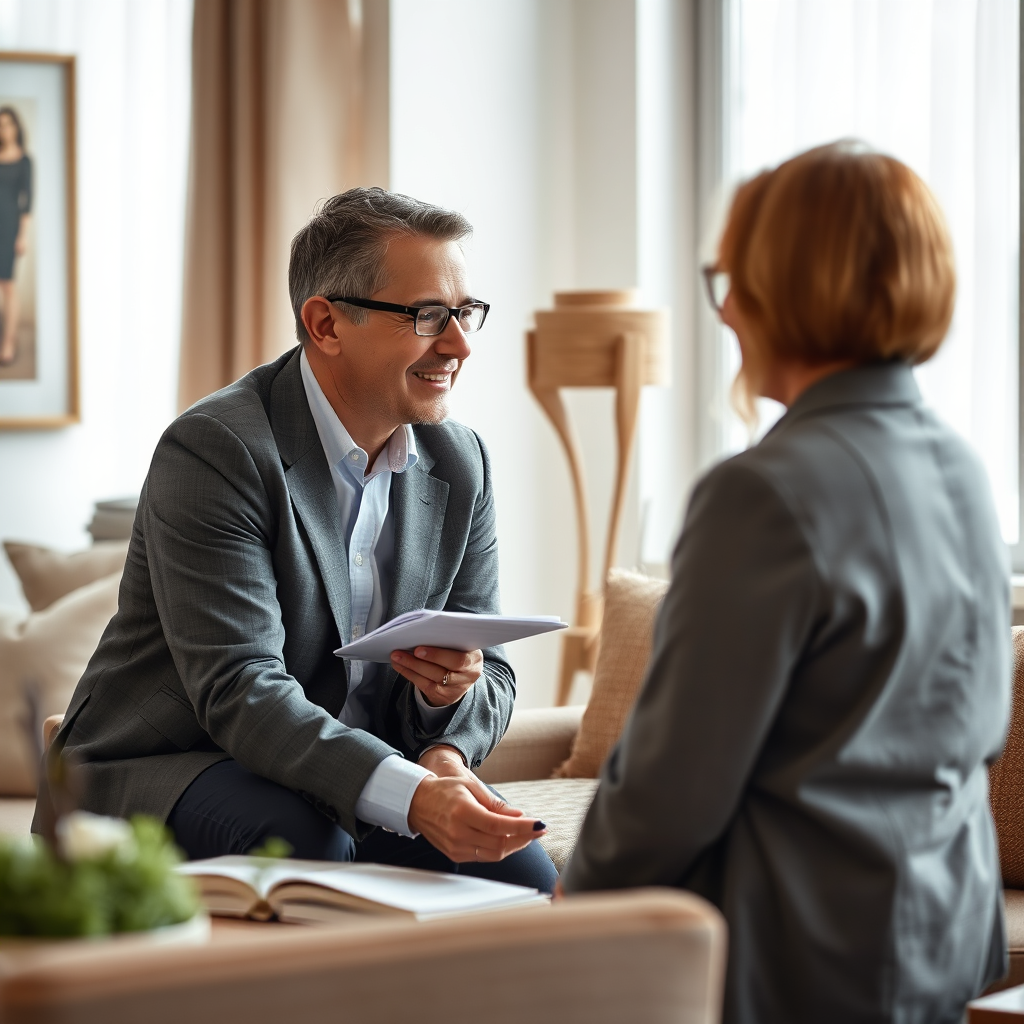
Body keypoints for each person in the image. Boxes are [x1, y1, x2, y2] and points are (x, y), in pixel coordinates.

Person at [558, 142, 1010, 1021]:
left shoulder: (758, 494)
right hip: (943, 935)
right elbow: (975, 733)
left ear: (789, 289)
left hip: (797, 958)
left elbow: (671, 790)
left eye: (734, 279)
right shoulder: (963, 470)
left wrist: (580, 896)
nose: (725, 311)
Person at [34, 188, 557, 894]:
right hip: (171, 764)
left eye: (465, 314)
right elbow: (240, 688)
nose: (460, 344)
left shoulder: (461, 462)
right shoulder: (216, 449)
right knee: (306, 839)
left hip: (346, 772)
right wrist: (408, 795)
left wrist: (441, 739)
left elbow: (489, 671)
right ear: (325, 323)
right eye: (429, 315)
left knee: (520, 873)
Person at [0, 105, 31, 366]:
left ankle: (8, 341)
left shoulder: (24, 161)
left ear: (16, 127)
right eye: (1, 125)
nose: (5, 129)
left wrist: (22, 236)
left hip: (9, 226)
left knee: (8, 286)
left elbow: (27, 202)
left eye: (8, 124)